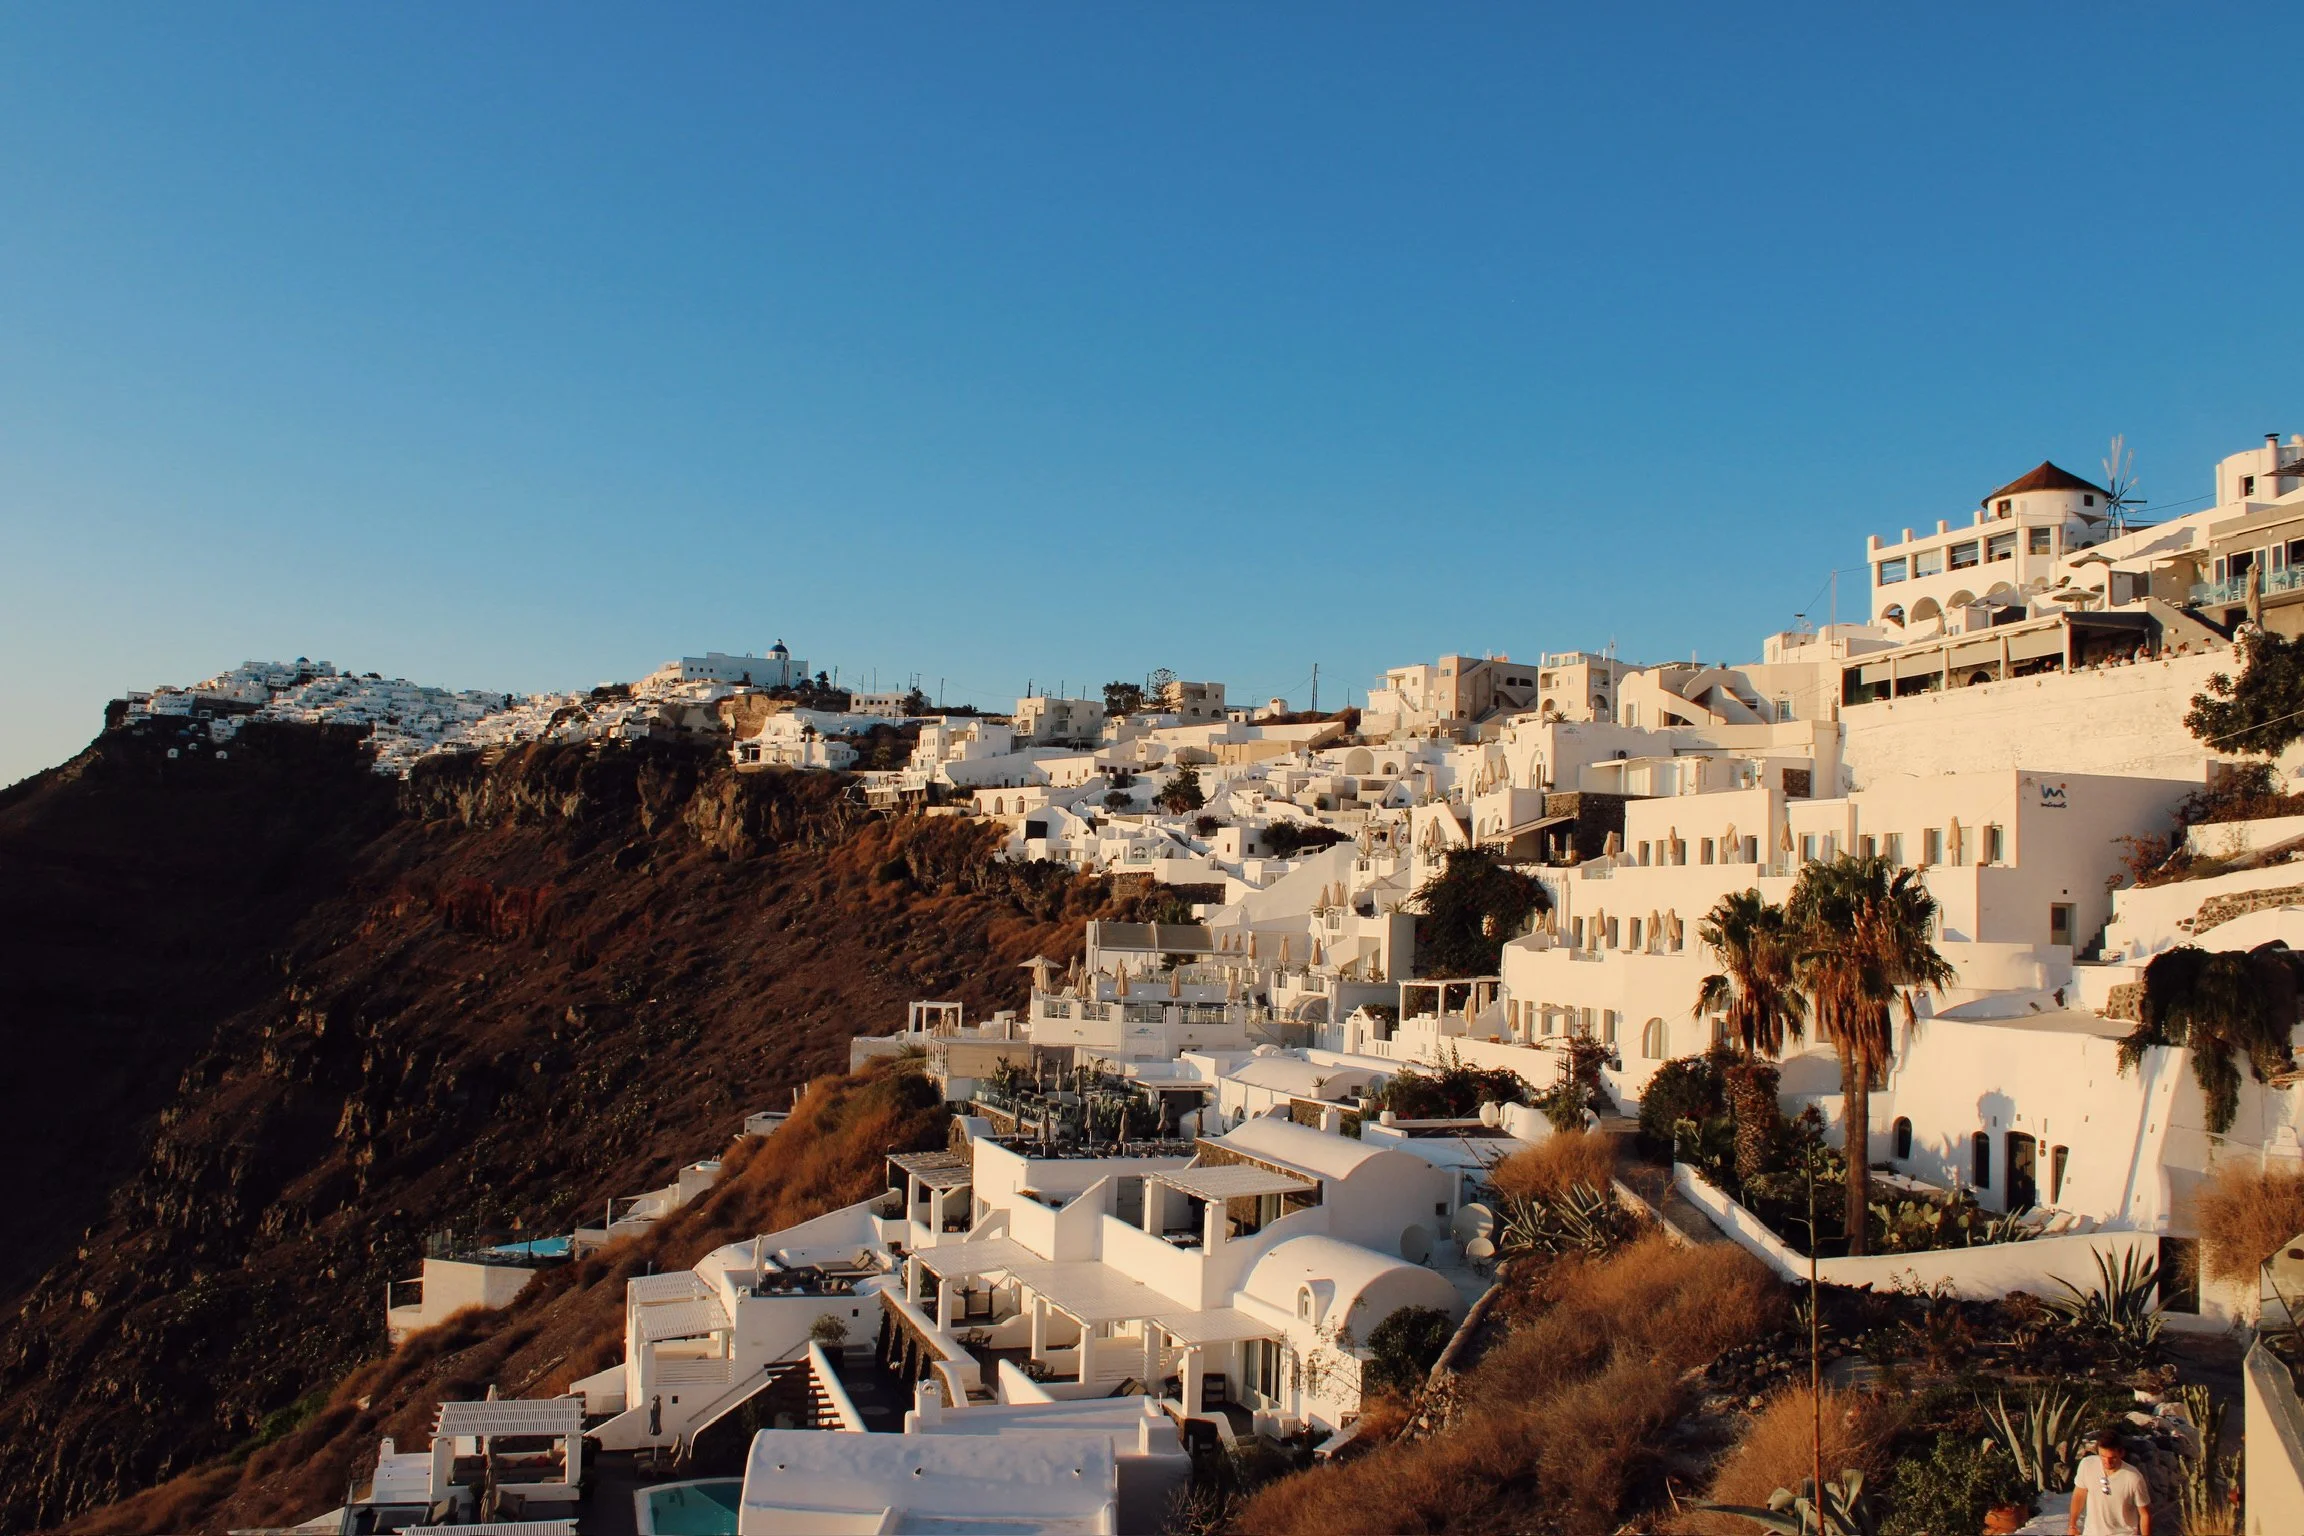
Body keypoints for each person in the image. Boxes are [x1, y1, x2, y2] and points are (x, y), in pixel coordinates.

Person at [2069, 1427, 2151, 1536]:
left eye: (2112, 1458)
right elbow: (2079, 1495)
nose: (2107, 1462)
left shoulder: (2133, 1477)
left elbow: (2144, 1514)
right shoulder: (2087, 1465)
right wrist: (2072, 1525)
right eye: (2102, 1456)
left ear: (2121, 1453)